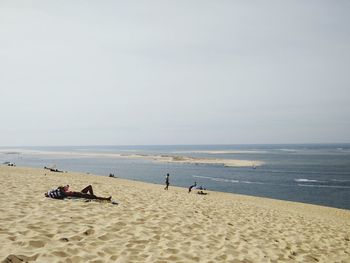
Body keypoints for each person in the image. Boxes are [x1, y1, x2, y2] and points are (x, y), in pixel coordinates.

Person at [45, 185, 111, 201]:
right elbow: (64, 197)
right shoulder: (63, 193)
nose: (66, 188)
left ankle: (92, 196)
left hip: (79, 193)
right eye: (64, 188)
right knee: (94, 197)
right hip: (79, 195)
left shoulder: (62, 191)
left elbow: (66, 187)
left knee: (89, 187)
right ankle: (106, 199)